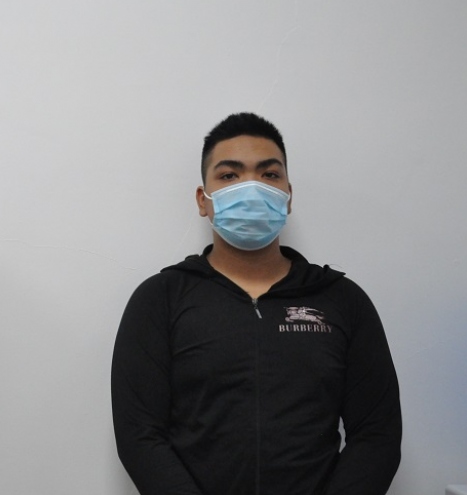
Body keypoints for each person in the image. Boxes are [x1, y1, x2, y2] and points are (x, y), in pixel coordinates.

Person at [111, 112, 401, 494]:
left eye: (269, 174)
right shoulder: (159, 300)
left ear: (288, 195)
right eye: (229, 175)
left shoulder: (342, 300)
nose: (251, 188)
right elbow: (139, 435)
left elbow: (377, 434)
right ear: (203, 200)